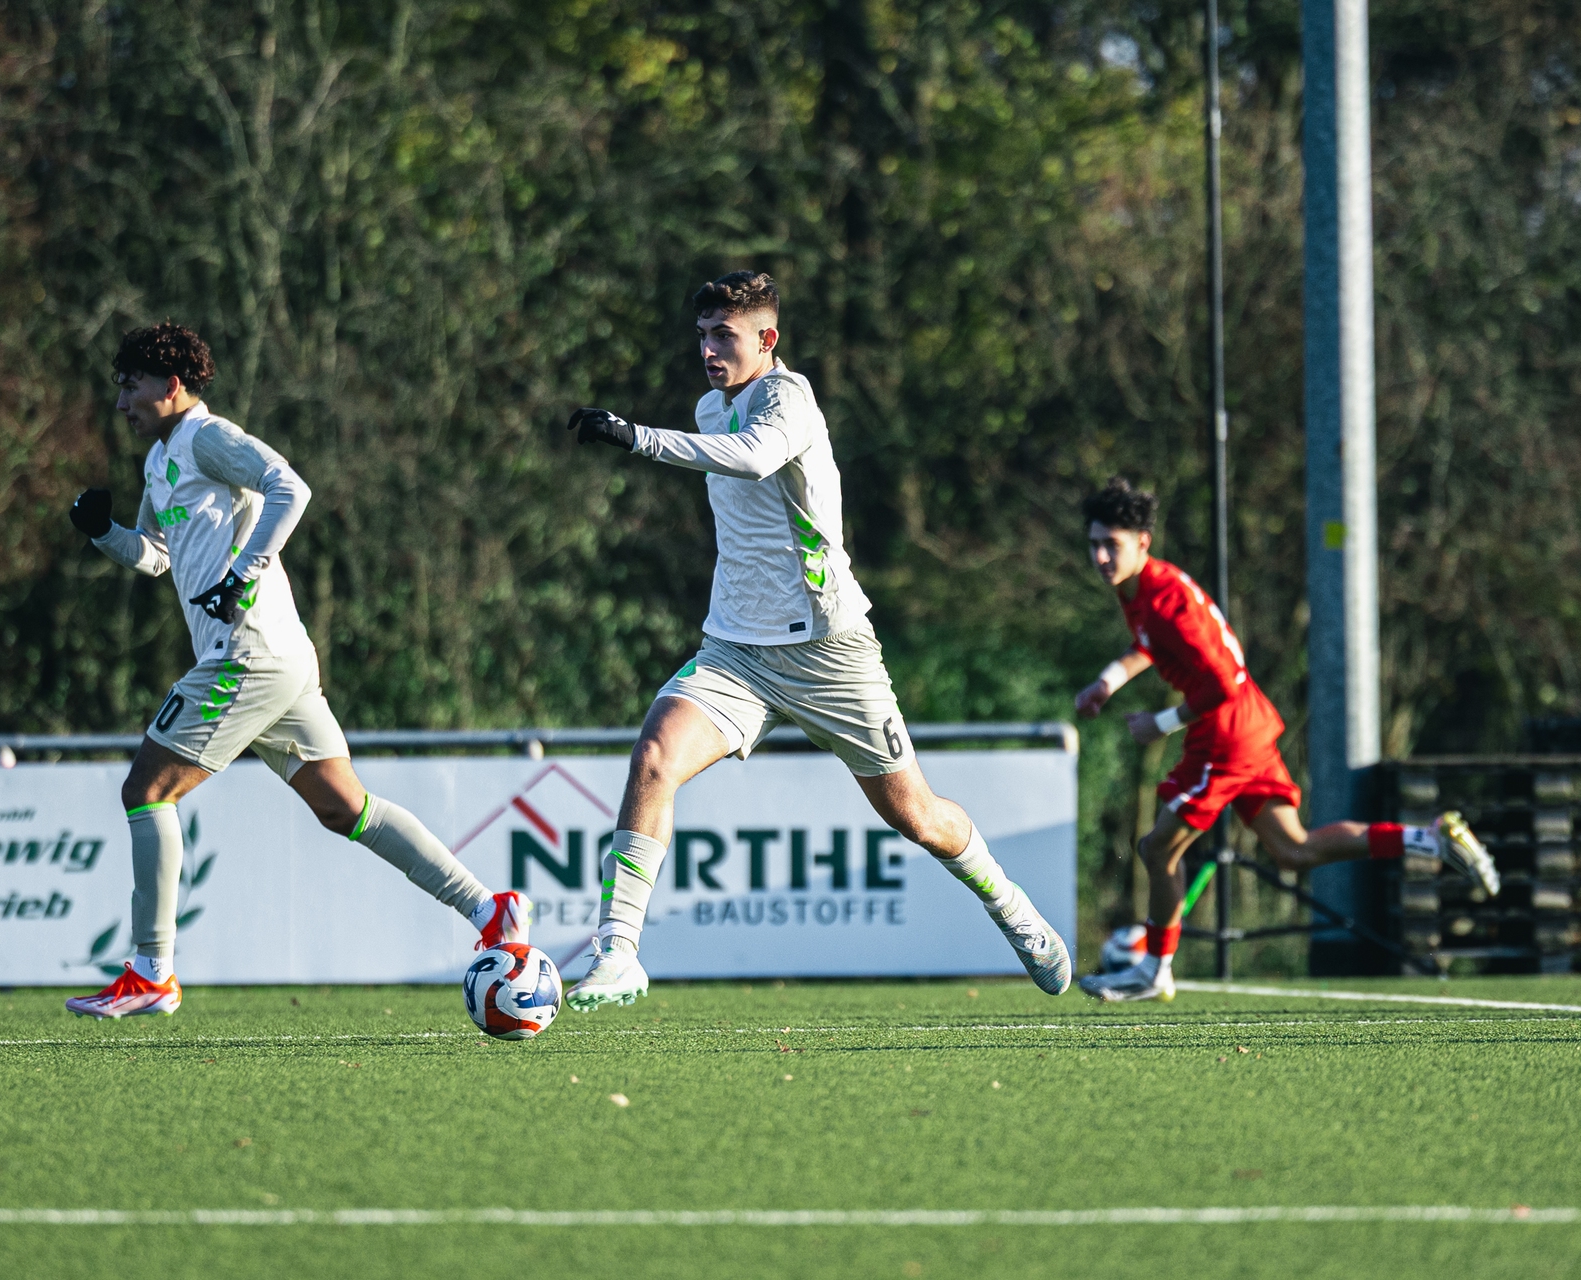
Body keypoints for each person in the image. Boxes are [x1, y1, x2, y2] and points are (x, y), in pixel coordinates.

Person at [559, 271, 1071, 1010]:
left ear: (767, 340)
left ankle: (1017, 916)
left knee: (917, 817)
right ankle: (618, 951)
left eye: (724, 336)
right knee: (654, 756)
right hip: (736, 649)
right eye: (702, 335)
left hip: (829, 649)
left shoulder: (787, 399)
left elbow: (753, 458)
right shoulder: (712, 404)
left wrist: (636, 437)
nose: (708, 349)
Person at [62, 321, 530, 1018]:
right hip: (274, 657)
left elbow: (290, 486)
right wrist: (104, 534)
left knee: (147, 790)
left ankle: (151, 972)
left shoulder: (207, 437)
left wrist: (243, 573)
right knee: (346, 808)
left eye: (130, 388)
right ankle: (490, 909)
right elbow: (156, 558)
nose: (121, 403)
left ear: (171, 384)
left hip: (245, 655)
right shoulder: (160, 461)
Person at [1072, 477, 1498, 1003]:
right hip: (1245, 724)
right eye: (1093, 544)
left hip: (1227, 732)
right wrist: (1109, 681)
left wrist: (1159, 724)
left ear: (1143, 542)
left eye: (1110, 544)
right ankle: (1430, 839)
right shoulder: (1139, 589)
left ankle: (1155, 968)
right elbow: (1150, 648)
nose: (1099, 556)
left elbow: (1223, 682)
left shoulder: (1166, 602)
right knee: (1294, 850)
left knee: (1157, 845)